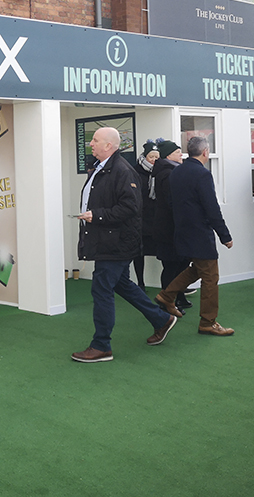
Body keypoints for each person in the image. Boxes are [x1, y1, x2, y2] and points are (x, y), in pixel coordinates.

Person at [71, 127, 177, 363]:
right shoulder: (102, 167)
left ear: (109, 145)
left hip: (116, 243)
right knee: (122, 284)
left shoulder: (122, 171)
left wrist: (96, 215)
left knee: (101, 288)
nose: (91, 144)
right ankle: (162, 319)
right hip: (109, 240)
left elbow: (130, 208)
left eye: (95, 140)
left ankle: (101, 346)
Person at [155, 136, 235, 336]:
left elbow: (171, 204)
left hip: (182, 230)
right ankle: (208, 322)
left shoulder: (176, 172)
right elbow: (211, 208)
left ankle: (167, 295)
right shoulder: (202, 174)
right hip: (199, 232)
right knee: (210, 277)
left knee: (198, 269)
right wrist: (225, 235)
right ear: (206, 152)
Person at [152, 140, 192, 312]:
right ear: (168, 155)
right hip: (169, 228)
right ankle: (167, 301)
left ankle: (178, 297)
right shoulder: (167, 174)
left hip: (171, 227)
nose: (181, 155)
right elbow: (172, 202)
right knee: (172, 265)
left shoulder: (167, 171)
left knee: (181, 263)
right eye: (177, 152)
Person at [131, 140, 161, 289]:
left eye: (157, 157)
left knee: (163, 252)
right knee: (139, 252)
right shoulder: (135, 172)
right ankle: (140, 283)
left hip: (157, 219)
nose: (154, 160)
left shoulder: (162, 172)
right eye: (151, 157)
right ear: (144, 157)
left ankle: (170, 285)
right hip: (141, 219)